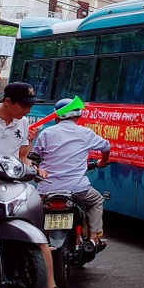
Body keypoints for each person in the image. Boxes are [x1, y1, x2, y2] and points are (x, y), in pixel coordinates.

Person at [0, 83, 72, 288]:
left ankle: (51, 287)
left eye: (31, 106)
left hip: (10, 185)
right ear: (8, 102)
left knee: (37, 234)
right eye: (24, 105)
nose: (28, 111)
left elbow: (22, 158)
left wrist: (34, 163)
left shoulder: (23, 122)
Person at [32, 98, 111, 248]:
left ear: (57, 116)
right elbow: (106, 146)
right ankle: (94, 238)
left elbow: (35, 157)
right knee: (96, 201)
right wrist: (102, 162)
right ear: (78, 115)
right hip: (77, 188)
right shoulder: (85, 133)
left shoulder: (46, 133)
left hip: (47, 189)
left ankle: (36, 242)